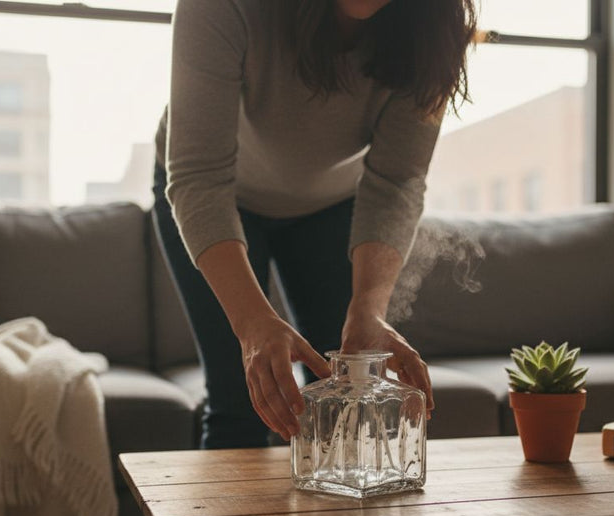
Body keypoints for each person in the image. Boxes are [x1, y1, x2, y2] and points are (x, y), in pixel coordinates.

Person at [153, 0, 476, 450]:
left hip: (329, 203)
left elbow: (397, 181)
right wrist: (252, 324)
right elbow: (198, 177)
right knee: (244, 398)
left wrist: (369, 308)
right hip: (212, 193)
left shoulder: (435, 28)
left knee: (348, 400)